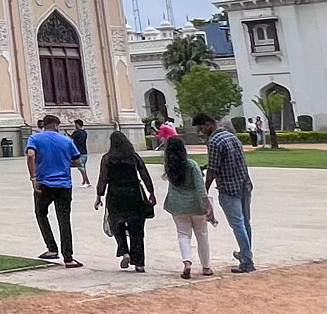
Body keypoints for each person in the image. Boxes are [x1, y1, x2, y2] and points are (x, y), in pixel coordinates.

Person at [193, 112, 255, 274]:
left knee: (237, 224)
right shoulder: (231, 137)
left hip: (228, 188)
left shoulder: (213, 141)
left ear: (208, 124)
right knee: (245, 222)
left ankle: (247, 260)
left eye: (201, 128)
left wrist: (204, 190)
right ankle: (246, 253)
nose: (201, 132)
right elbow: (227, 160)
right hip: (244, 184)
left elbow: (214, 170)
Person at [25, 114, 89, 268]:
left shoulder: (35, 139)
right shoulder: (66, 141)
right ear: (55, 125)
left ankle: (52, 248)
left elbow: (30, 155)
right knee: (64, 218)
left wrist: (33, 177)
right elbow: (77, 161)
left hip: (43, 183)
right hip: (63, 184)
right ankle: (68, 257)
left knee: (41, 213)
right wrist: (63, 163)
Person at [94, 129, 157, 273]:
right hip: (134, 193)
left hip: (115, 194)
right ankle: (139, 262)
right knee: (137, 229)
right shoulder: (133, 157)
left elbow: (103, 178)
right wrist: (151, 192)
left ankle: (124, 251)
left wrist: (99, 196)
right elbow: (144, 174)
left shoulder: (107, 158)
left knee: (117, 224)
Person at [160, 136, 215, 279]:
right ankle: (206, 266)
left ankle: (187, 262)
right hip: (196, 205)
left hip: (177, 205)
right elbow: (200, 188)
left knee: (183, 234)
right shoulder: (191, 165)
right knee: (202, 235)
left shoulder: (169, 167)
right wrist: (208, 206)